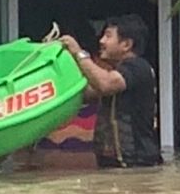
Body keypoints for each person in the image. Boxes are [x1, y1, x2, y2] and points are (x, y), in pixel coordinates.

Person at [58, 14, 161, 169]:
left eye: (108, 36)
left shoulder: (138, 67)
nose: (101, 41)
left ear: (126, 44)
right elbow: (86, 93)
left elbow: (105, 84)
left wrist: (79, 53)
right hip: (116, 164)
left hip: (137, 164)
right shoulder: (117, 72)